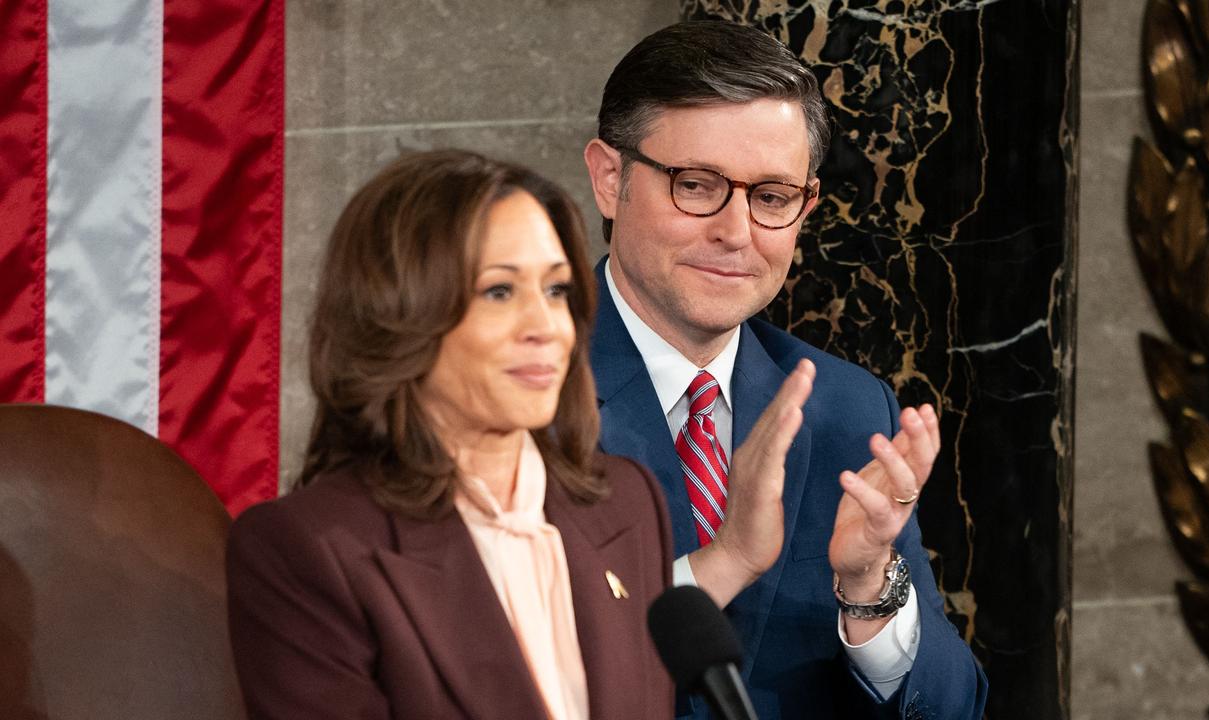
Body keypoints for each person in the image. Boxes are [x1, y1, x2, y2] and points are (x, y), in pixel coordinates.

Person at [582, 20, 988, 719]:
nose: (737, 232)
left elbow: (953, 710)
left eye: (771, 198)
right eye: (697, 184)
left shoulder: (847, 410)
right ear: (610, 177)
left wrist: (867, 588)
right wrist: (723, 561)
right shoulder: (514, 397)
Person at [225, 150, 673, 720]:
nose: (545, 327)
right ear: (403, 315)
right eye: (500, 292)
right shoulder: (305, 550)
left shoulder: (627, 502)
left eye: (557, 290)